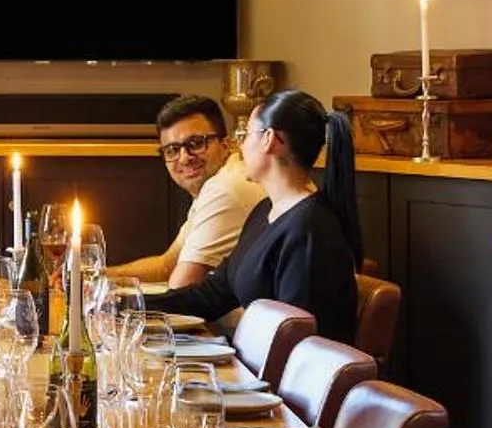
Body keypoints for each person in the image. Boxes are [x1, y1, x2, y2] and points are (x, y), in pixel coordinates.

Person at [156, 89, 362, 344]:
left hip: (282, 381)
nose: (240, 146)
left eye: (245, 135)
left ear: (269, 139)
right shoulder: (264, 210)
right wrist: (126, 304)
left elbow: (297, 340)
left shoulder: (309, 229)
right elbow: (213, 295)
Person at [108, 94, 266, 287]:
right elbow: (166, 265)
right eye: (172, 150)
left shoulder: (224, 188)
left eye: (196, 143)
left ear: (225, 145)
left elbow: (181, 287)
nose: (184, 158)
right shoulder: (216, 183)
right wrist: (95, 274)